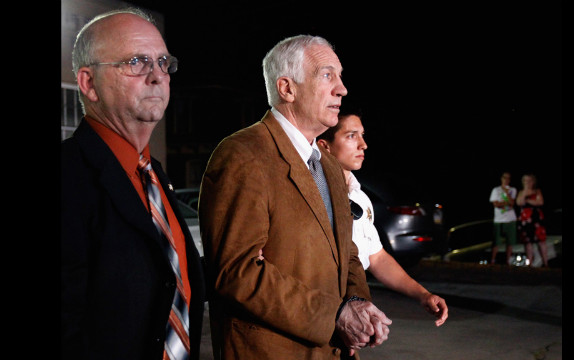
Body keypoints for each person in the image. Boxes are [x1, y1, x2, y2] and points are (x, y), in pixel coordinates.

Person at [199, 35, 391, 360]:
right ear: (287, 89)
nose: (342, 89)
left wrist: (357, 303)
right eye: (327, 75)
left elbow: (347, 252)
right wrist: (335, 316)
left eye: (340, 77)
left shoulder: (329, 165)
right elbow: (235, 271)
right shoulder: (243, 155)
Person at [61, 8, 206, 359]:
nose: (157, 76)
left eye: (163, 62)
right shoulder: (67, 176)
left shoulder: (153, 174)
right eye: (137, 62)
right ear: (89, 84)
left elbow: (159, 277)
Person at [317, 109, 449, 327]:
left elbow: (377, 257)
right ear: (324, 146)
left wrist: (423, 295)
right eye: (351, 135)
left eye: (362, 135)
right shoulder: (311, 195)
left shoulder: (361, 198)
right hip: (321, 314)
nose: (363, 144)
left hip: (353, 315)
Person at [516, 173, 548, 267]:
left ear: (533, 182)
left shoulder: (537, 191)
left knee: (541, 241)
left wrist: (528, 201)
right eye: (525, 181)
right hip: (525, 219)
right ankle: (529, 263)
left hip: (536, 218)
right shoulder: (522, 192)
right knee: (527, 241)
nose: (527, 183)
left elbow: (540, 202)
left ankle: (545, 262)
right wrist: (525, 193)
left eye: (529, 181)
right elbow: (519, 202)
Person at [489, 171, 518, 265]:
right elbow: (496, 204)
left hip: (510, 219)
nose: (506, 180)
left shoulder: (513, 190)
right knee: (496, 242)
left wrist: (507, 194)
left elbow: (512, 203)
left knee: (510, 242)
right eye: (505, 178)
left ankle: (507, 261)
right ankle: (492, 260)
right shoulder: (496, 190)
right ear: (501, 178)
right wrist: (506, 203)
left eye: (508, 178)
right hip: (498, 219)